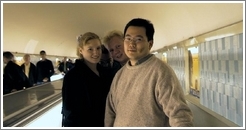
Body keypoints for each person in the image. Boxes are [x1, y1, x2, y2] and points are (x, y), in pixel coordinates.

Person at [104, 18, 194, 127]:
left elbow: (179, 114)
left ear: (150, 44)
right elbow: (110, 112)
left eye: (138, 39)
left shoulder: (160, 71)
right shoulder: (120, 75)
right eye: (128, 39)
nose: (131, 44)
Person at [61, 32, 113, 127]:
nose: (96, 53)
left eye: (98, 48)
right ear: (81, 51)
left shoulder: (105, 72)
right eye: (90, 49)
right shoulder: (73, 76)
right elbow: (70, 111)